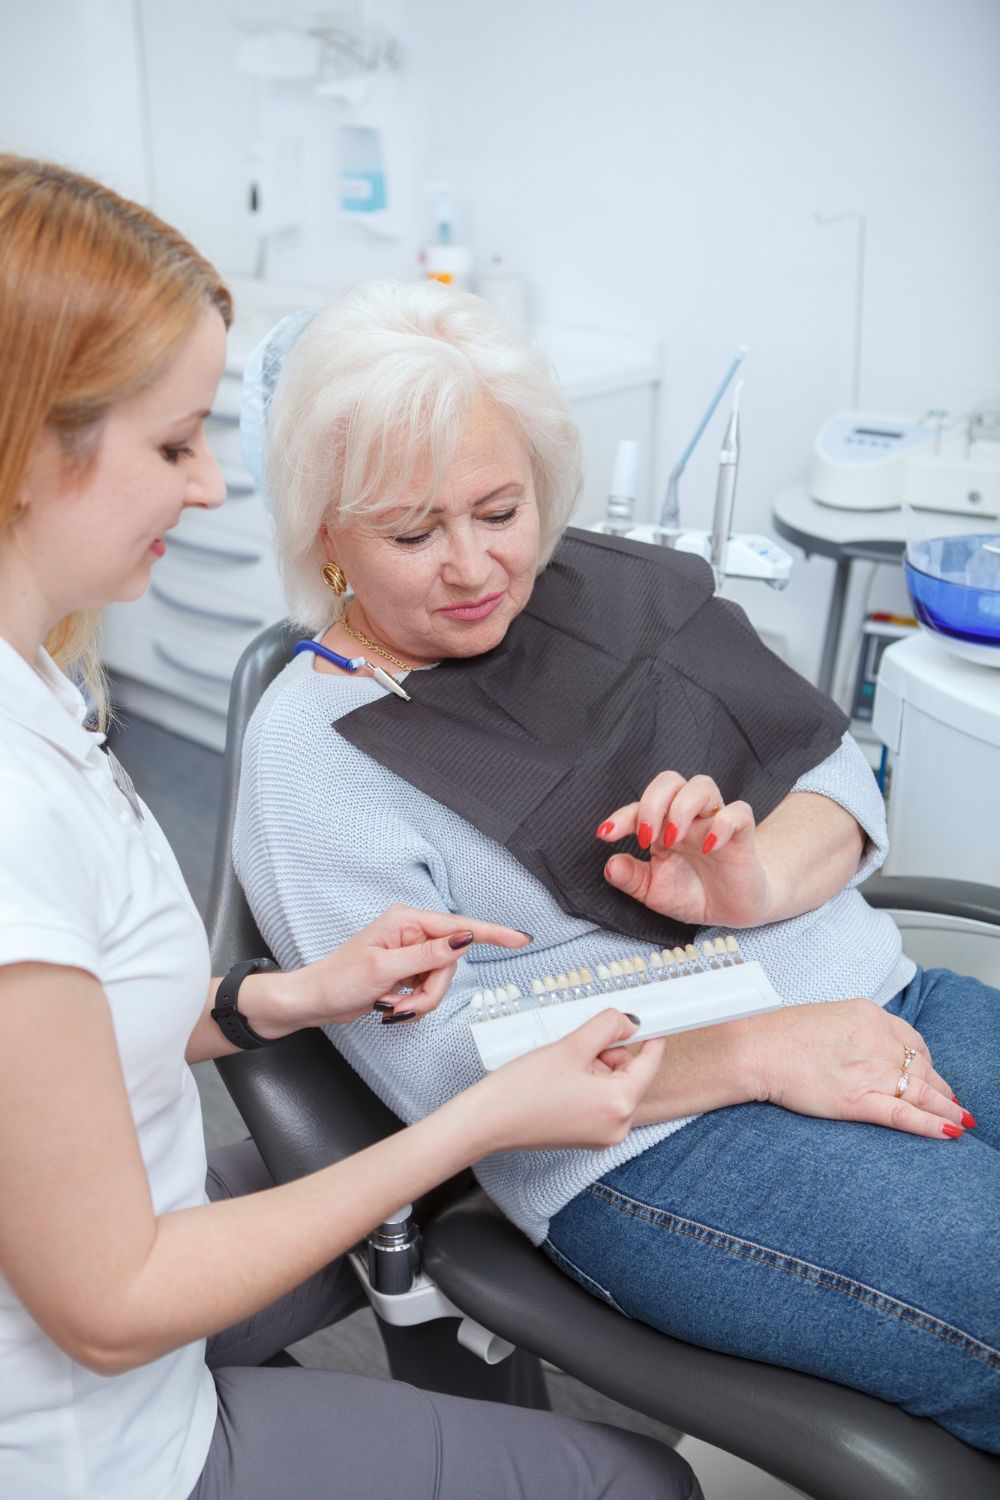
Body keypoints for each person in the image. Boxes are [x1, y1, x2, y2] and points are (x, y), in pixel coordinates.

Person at [0, 157, 706, 1500]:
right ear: (29, 440)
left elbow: (73, 1024)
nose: (210, 489)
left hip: (89, 1250)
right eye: (173, 442)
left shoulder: (37, 680)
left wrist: (298, 992)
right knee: (639, 1483)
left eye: (501, 515)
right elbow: (108, 1302)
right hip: (83, 1441)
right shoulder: (15, 805)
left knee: (358, 1189)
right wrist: (475, 1120)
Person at [234, 276, 1000, 1455]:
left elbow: (829, 774)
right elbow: (442, 1073)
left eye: (499, 509)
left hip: (881, 999)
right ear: (322, 532)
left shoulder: (613, 594)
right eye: (410, 532)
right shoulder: (313, 754)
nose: (473, 566)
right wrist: (753, 1047)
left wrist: (751, 886)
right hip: (651, 1139)